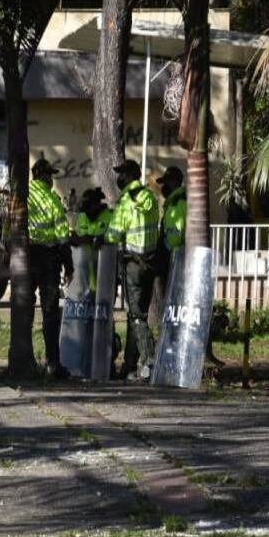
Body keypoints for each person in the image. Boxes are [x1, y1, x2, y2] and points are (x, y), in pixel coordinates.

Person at [106, 159, 160, 380]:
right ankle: (129, 366)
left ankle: (149, 360)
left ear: (130, 176)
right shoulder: (150, 197)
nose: (119, 178)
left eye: (122, 174)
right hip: (150, 263)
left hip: (133, 265)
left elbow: (113, 234)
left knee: (136, 316)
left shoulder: (127, 201)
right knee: (136, 315)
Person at [28, 158, 73, 379]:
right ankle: (52, 363)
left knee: (25, 309)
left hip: (25, 259)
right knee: (50, 313)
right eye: (50, 175)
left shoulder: (22, 196)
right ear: (44, 176)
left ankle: (26, 358)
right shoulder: (51, 199)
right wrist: (69, 266)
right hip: (47, 261)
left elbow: (8, 229)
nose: (52, 179)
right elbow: (63, 237)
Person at [156, 165, 186, 288]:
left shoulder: (177, 202)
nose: (163, 187)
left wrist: (166, 247)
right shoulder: (175, 201)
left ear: (174, 182)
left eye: (166, 183)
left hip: (173, 258)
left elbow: (175, 237)